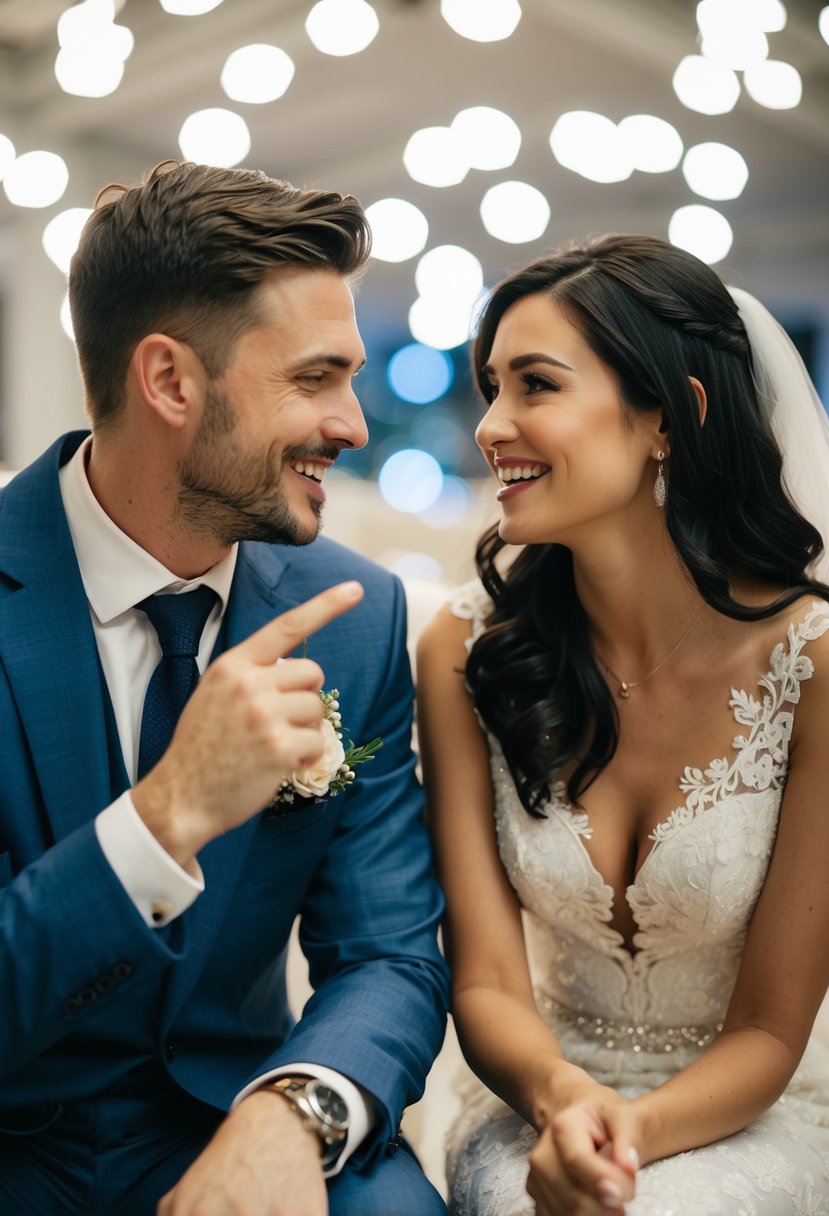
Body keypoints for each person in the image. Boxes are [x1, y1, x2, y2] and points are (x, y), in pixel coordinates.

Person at [0, 160, 450, 1216]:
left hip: (235, 1113)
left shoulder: (357, 613)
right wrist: (165, 819)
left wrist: (299, 1109)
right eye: (313, 378)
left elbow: (386, 954)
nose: (351, 422)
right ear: (169, 382)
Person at [416, 234, 829, 1216]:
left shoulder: (810, 662)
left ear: (665, 417)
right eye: (489, 387)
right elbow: (483, 983)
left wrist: (624, 1141)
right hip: (528, 1093)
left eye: (534, 385)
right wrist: (567, 1105)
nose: (490, 424)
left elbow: (771, 1029)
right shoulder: (461, 649)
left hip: (753, 1105)